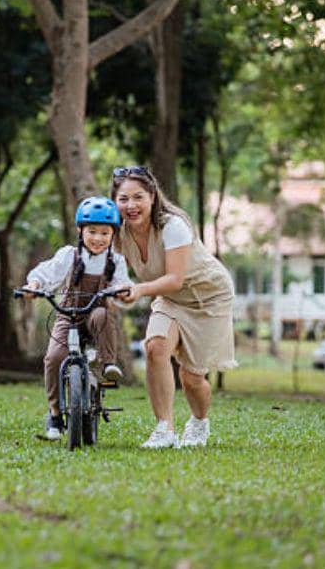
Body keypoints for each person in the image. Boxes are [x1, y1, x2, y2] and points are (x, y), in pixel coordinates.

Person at [112, 166, 237, 449]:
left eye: (138, 197)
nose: (131, 205)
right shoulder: (119, 232)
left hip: (208, 298)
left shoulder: (173, 226)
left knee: (191, 378)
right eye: (123, 199)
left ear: (152, 197)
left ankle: (199, 421)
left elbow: (175, 279)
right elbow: (111, 267)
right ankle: (164, 429)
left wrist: (139, 290)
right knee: (155, 347)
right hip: (171, 299)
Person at [23, 196, 132, 440]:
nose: (98, 238)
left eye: (104, 233)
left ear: (113, 235)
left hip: (96, 316)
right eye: (92, 231)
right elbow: (47, 272)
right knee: (54, 358)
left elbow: (122, 284)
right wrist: (35, 284)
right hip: (68, 315)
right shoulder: (68, 255)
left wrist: (122, 291)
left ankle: (107, 365)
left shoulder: (115, 261)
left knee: (103, 314)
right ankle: (54, 414)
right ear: (80, 231)